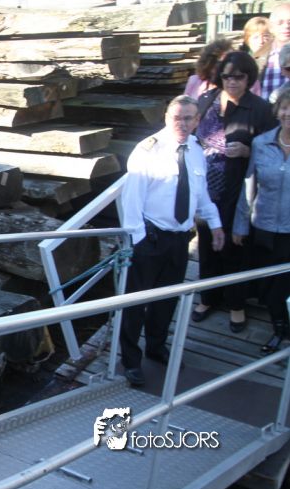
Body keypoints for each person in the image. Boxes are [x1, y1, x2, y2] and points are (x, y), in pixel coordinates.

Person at [120, 95, 224, 388]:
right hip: (150, 238)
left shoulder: (196, 150)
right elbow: (131, 200)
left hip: (179, 239)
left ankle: (156, 346)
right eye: (176, 117)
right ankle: (131, 360)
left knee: (167, 299)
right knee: (136, 302)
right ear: (166, 118)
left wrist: (215, 223)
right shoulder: (147, 150)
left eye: (188, 118)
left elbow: (200, 194)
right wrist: (138, 240)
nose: (182, 123)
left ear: (197, 121)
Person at [191, 52, 278, 332]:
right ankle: (208, 297)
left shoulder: (260, 109)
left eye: (239, 76)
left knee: (234, 246)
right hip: (205, 188)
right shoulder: (207, 100)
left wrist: (248, 150)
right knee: (206, 244)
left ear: (249, 78)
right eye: (227, 76)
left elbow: (274, 149)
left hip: (237, 189)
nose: (232, 81)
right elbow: (190, 133)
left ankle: (236, 303)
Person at [233, 86, 290, 353]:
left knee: (283, 285)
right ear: (278, 111)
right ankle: (280, 329)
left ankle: (282, 332)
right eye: (285, 107)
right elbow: (249, 186)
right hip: (264, 226)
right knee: (268, 285)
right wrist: (240, 224)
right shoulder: (261, 143)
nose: (289, 113)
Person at [260, 3, 290, 100]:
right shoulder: (259, 56)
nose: (286, 26)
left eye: (289, 22)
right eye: (280, 23)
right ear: (271, 28)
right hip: (265, 108)